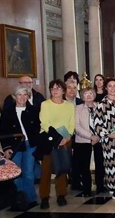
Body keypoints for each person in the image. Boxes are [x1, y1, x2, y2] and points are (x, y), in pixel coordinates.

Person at [0, 86, 40, 208]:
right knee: (15, 173)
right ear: (14, 97)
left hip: (30, 144)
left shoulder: (33, 110)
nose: (22, 97)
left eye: (24, 95)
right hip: (14, 146)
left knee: (28, 172)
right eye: (19, 95)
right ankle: (19, 198)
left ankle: (30, 198)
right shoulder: (7, 112)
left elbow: (37, 128)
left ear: (28, 96)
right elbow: (3, 131)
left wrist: (36, 143)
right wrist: (6, 148)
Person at [38, 79, 75, 209]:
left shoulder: (69, 105)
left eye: (57, 88)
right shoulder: (45, 104)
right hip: (49, 140)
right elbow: (45, 123)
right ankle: (44, 197)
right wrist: (56, 138)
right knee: (46, 170)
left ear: (63, 91)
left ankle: (61, 195)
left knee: (62, 167)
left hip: (65, 140)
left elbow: (71, 123)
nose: (55, 90)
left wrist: (67, 136)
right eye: (52, 88)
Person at [72, 88, 98, 197]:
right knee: (84, 167)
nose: (88, 95)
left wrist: (98, 137)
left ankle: (100, 186)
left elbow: (105, 123)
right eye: (86, 94)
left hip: (98, 140)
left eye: (90, 93)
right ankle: (86, 188)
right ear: (82, 96)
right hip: (82, 141)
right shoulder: (78, 108)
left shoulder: (100, 107)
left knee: (100, 165)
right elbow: (76, 126)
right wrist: (90, 136)